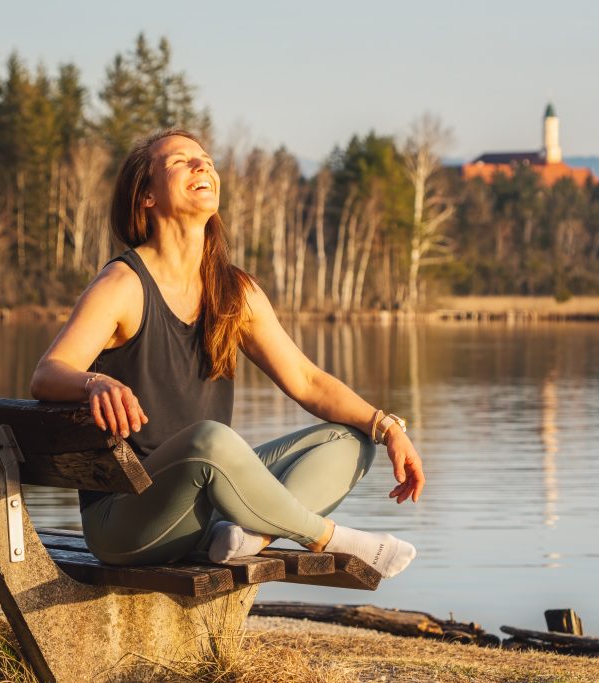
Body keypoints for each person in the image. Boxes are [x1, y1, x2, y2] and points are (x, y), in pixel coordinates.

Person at [29, 129, 424, 578]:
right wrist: (93, 381)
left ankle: (248, 538)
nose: (203, 167)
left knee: (353, 441)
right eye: (180, 162)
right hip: (126, 518)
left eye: (206, 160)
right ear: (146, 197)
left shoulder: (234, 291)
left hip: (205, 508)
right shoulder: (123, 285)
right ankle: (332, 538)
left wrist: (387, 427)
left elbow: (307, 380)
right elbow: (47, 374)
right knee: (211, 441)